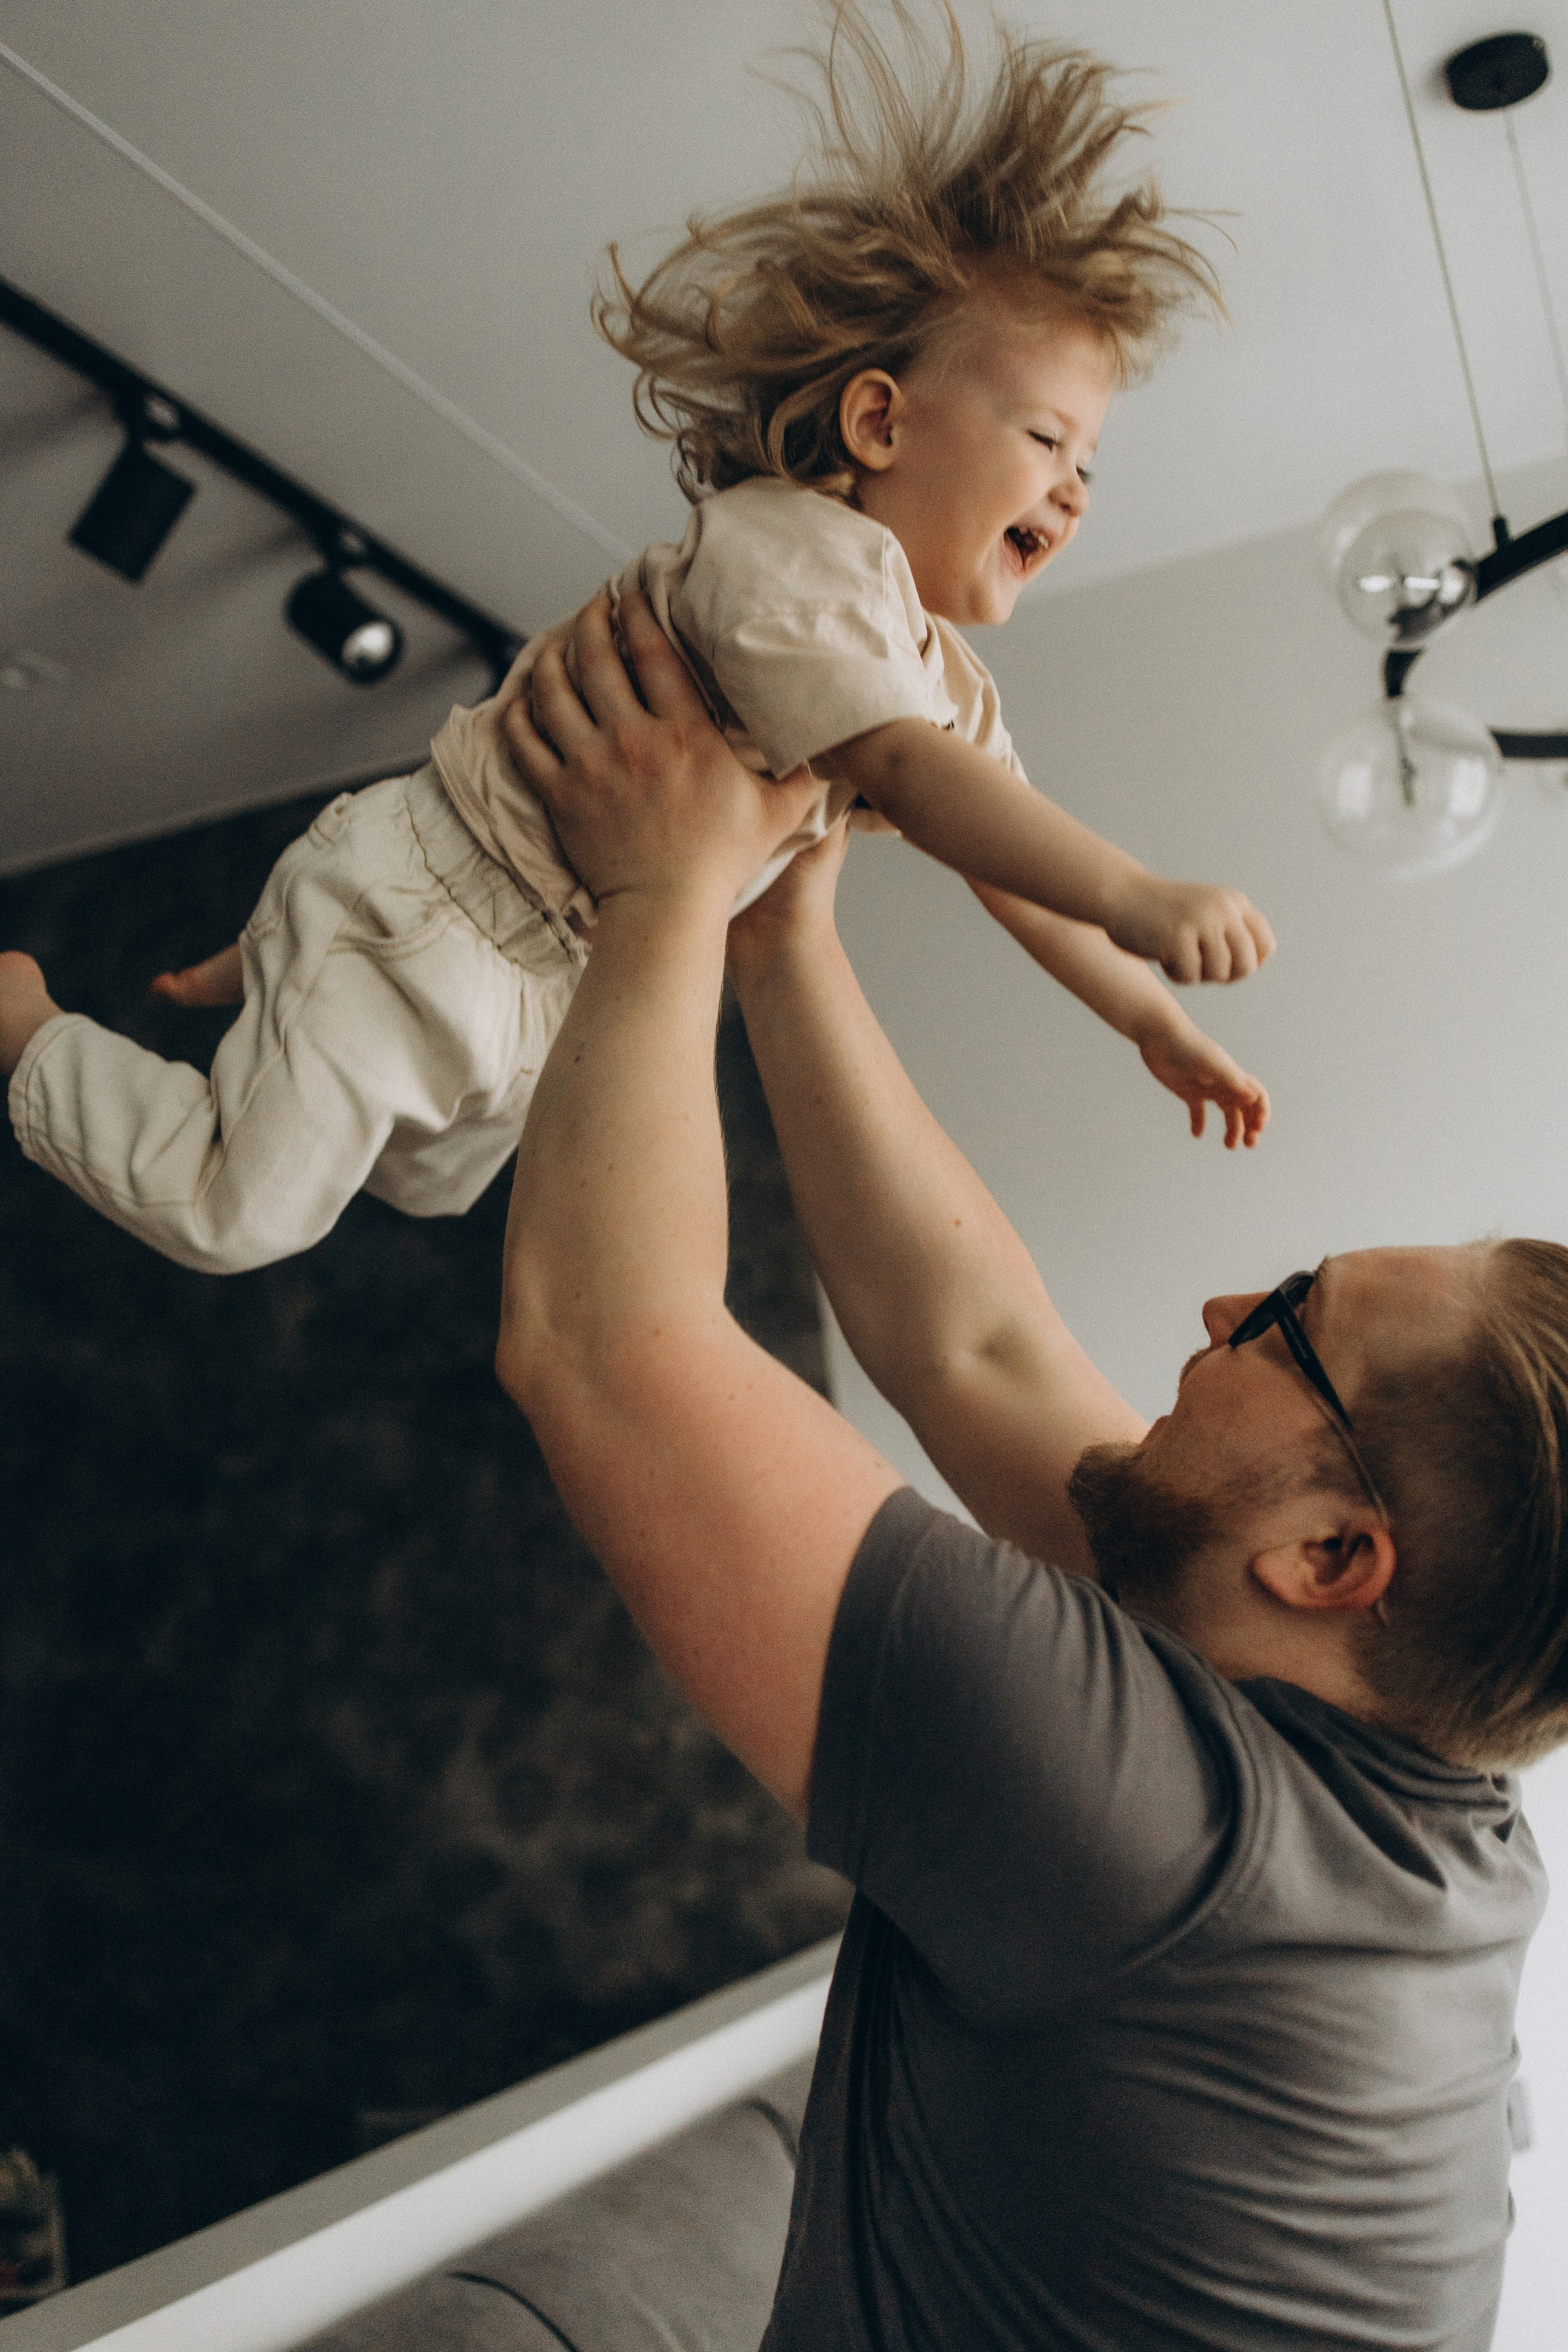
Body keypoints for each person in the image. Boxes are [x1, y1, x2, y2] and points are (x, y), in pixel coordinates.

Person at [493, 587, 1566, 2352]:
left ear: (1328, 1556)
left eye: (1288, 1320)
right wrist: (778, 932)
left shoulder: (1154, 1830)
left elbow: (606, 1346)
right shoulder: (1407, 1784)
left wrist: (661, 888)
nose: (1228, 1299)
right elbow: (975, 1344)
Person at [1, 6, 1272, 1277]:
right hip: (439, 909)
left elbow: (1006, 866)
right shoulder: (790, 551)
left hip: (547, 973)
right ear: (879, 423)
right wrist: (1138, 893)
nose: (1071, 492)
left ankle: (279, 963)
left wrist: (1144, 1016)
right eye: (1046, 440)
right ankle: (30, 1028)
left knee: (433, 1185)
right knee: (240, 1219)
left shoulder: (938, 680)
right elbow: (915, 782)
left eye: (1089, 465)